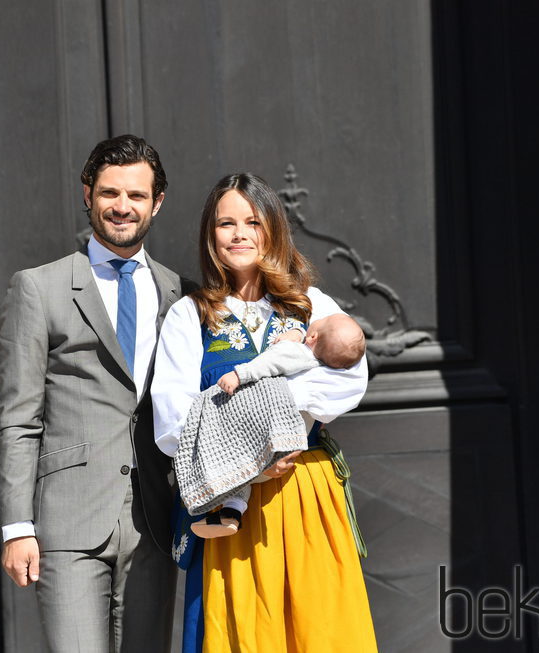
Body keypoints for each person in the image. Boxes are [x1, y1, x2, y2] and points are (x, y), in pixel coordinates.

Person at [152, 173, 379, 652]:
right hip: (228, 496)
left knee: (318, 633)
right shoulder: (189, 315)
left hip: (304, 494)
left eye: (252, 221)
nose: (239, 234)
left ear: (272, 228)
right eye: (225, 224)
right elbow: (172, 421)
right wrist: (252, 459)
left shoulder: (309, 303)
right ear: (210, 235)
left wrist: (254, 409)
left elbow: (347, 379)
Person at [0, 134, 187, 652]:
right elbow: (19, 417)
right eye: (109, 193)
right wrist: (17, 526)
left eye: (136, 196)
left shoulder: (181, 294)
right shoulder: (39, 287)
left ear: (157, 202)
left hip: (154, 519)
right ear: (88, 194)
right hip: (69, 524)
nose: (122, 207)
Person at [177, 313, 368, 538]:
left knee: (235, 461)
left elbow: (270, 362)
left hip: (264, 438)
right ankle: (232, 513)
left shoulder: (297, 352)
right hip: (285, 453)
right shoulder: (323, 373)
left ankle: (221, 502)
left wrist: (240, 375)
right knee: (243, 472)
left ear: (312, 336)